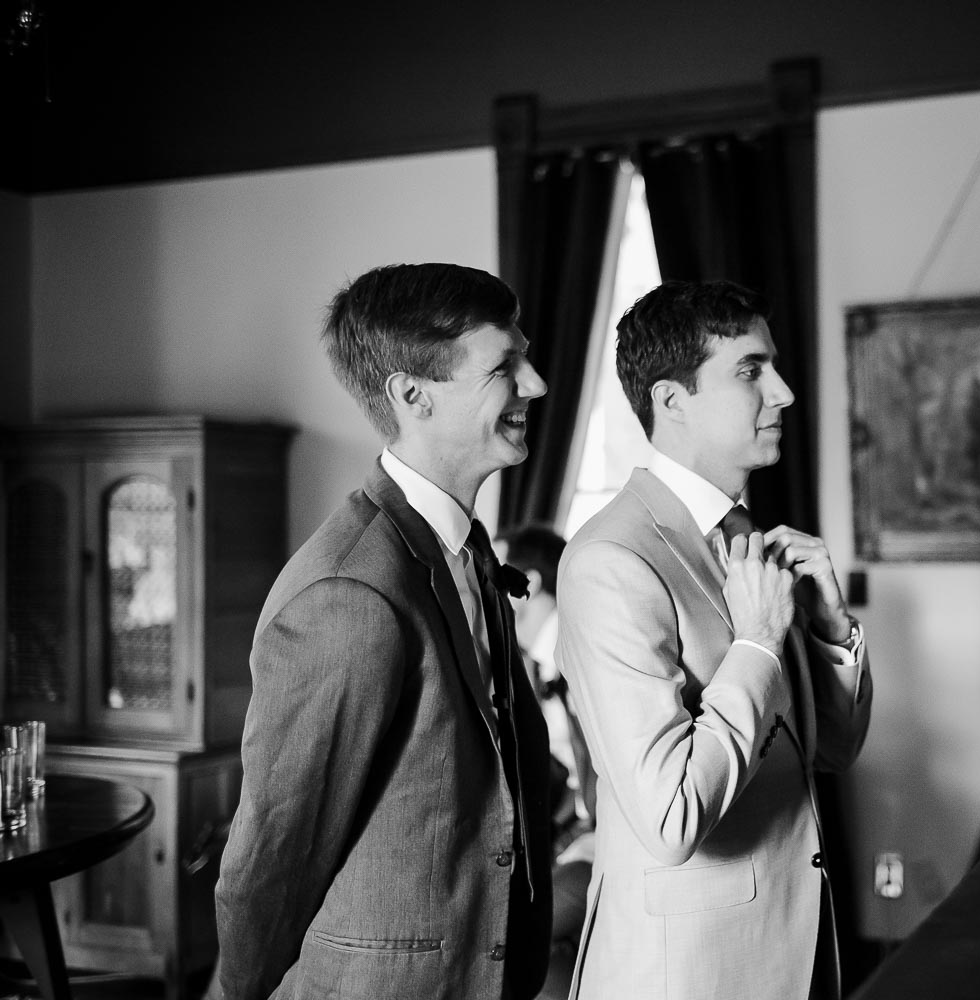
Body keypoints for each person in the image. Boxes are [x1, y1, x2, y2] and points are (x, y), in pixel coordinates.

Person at [210, 263, 553, 1000]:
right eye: (505, 365)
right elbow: (274, 854)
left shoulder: (467, 550)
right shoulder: (349, 591)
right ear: (412, 395)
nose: (535, 384)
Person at [555, 279, 873, 1000]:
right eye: (751, 371)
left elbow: (831, 751)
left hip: (796, 954)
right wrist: (758, 642)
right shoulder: (611, 561)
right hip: (687, 975)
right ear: (672, 402)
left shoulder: (749, 540)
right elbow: (671, 817)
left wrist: (828, 628)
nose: (785, 393)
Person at [502, 523, 597, 1000]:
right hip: (562, 832)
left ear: (528, 584)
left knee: (513, 944)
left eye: (493, 572)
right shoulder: (526, 662)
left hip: (608, 839)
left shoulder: (579, 647)